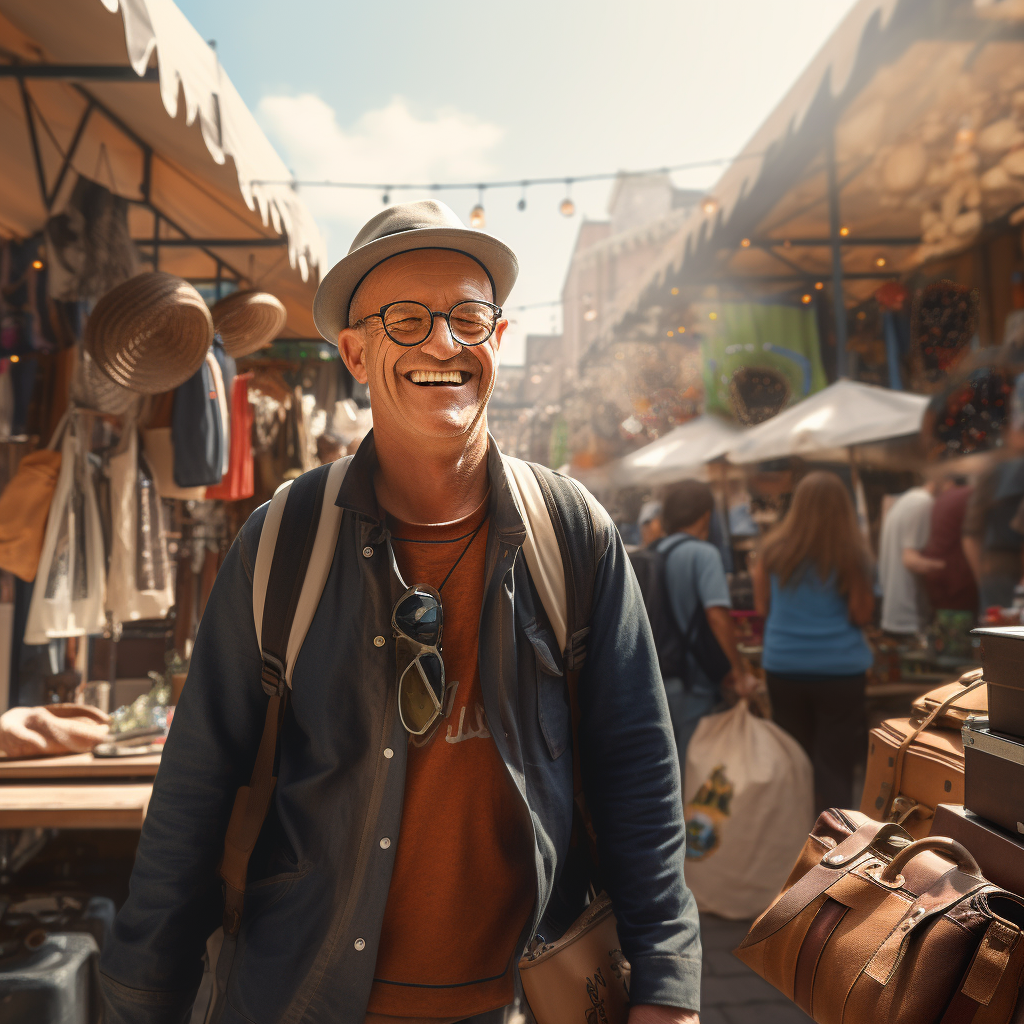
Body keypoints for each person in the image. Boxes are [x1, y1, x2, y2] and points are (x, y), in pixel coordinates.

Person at [99, 202, 701, 1024]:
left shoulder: (572, 533)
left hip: (529, 1003)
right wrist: (142, 998)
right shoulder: (282, 542)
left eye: (467, 317)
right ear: (355, 351)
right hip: (306, 999)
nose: (443, 343)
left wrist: (668, 985)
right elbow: (194, 791)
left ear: (499, 337)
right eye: (407, 319)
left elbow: (638, 772)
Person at [751, 471, 874, 813]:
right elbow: (861, 614)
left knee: (795, 760)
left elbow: (763, 607)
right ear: (842, 508)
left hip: (784, 667)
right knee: (836, 763)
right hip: (841, 669)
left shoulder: (772, 550)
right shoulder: (852, 553)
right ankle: (838, 849)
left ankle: (797, 843)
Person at [657, 480, 758, 767]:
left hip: (659, 680)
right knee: (695, 771)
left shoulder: (654, 552)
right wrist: (738, 673)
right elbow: (717, 616)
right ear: (705, 515)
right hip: (695, 686)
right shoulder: (704, 554)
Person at [878, 480, 936, 635]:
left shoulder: (905, 500)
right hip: (911, 616)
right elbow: (911, 560)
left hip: (895, 612)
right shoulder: (923, 503)